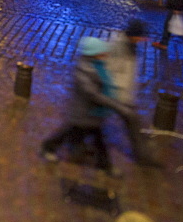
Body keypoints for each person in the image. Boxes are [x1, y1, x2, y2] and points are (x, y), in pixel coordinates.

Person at [40, 37, 130, 175]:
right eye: (102, 53)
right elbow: (93, 94)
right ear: (93, 54)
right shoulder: (84, 71)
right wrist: (115, 105)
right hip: (83, 114)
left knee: (99, 141)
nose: (105, 55)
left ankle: (104, 165)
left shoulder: (97, 66)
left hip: (94, 114)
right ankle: (48, 147)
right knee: (69, 133)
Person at [104, 19, 162, 167]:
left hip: (124, 96)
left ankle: (143, 156)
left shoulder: (131, 46)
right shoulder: (118, 46)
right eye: (140, 36)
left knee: (132, 125)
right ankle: (143, 157)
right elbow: (110, 70)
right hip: (115, 95)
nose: (143, 40)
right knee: (89, 124)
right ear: (133, 35)